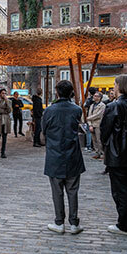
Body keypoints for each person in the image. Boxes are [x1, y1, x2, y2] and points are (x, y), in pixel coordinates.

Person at [42, 79, 85, 235]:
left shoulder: (49, 110)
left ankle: (59, 222)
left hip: (55, 154)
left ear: (57, 92)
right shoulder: (76, 110)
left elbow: (44, 130)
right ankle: (74, 223)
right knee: (73, 191)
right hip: (73, 154)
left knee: (57, 191)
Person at [100, 74, 127, 236]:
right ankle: (126, 221)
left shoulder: (114, 106)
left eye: (115, 85)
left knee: (119, 190)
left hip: (118, 152)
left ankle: (124, 224)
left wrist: (105, 145)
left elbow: (105, 130)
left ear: (119, 86)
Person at [87, 92, 106, 159]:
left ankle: (102, 153)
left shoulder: (102, 105)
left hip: (98, 124)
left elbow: (98, 115)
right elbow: (89, 114)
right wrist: (90, 125)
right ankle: (97, 152)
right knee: (94, 140)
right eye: (94, 95)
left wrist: (89, 118)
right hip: (92, 124)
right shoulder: (92, 105)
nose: (94, 97)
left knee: (99, 140)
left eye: (95, 96)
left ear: (99, 97)